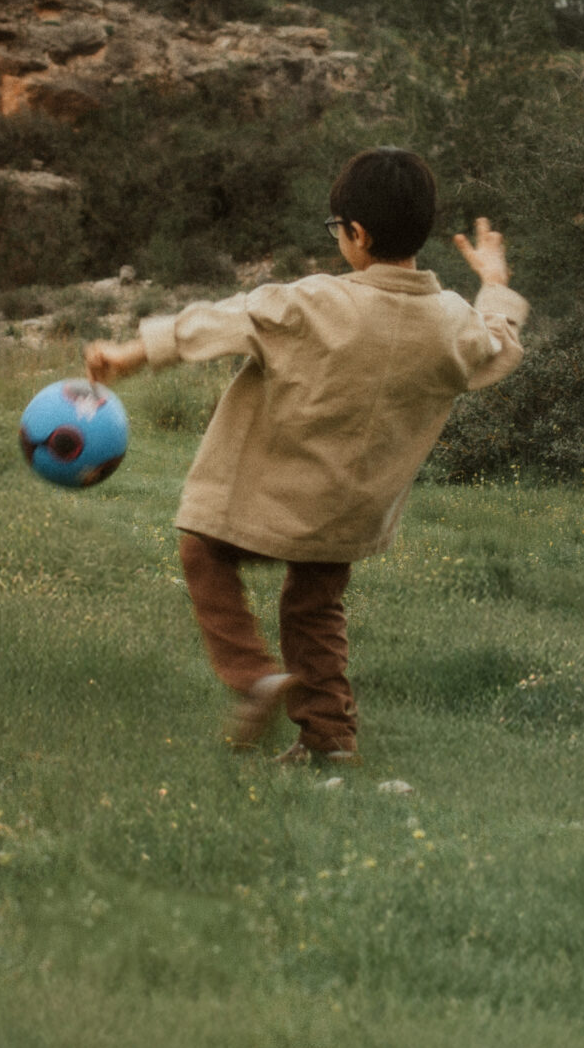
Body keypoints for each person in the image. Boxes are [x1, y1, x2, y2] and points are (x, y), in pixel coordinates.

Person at [83, 147, 526, 764]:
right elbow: (498, 346)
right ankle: (330, 739)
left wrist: (129, 356)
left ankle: (254, 677)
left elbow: (218, 322)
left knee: (203, 551)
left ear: (357, 234)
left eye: (336, 227)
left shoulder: (313, 301)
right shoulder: (451, 321)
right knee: (314, 610)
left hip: (275, 498)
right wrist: (494, 284)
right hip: (352, 514)